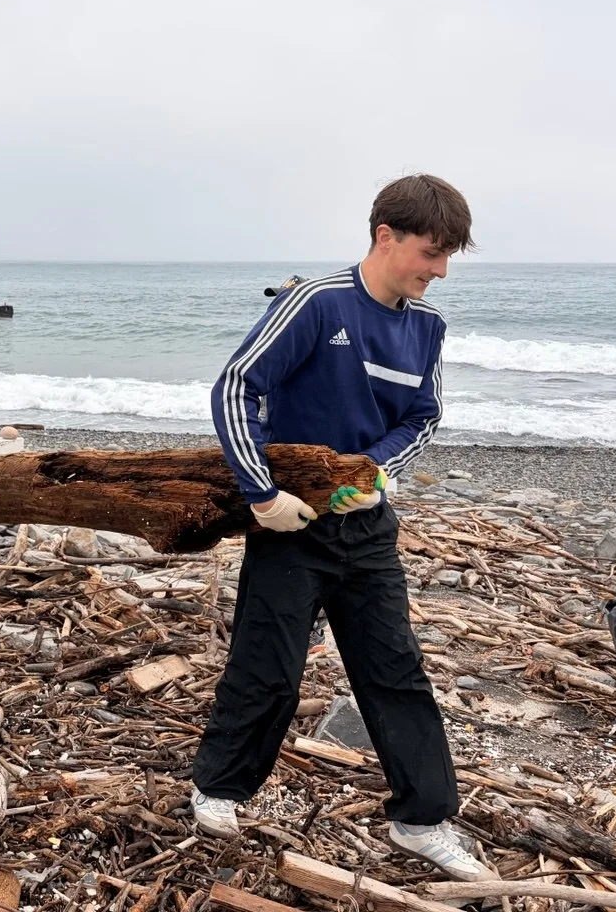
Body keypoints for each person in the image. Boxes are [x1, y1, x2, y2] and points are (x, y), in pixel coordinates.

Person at [192, 175, 493, 883]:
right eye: (432, 252)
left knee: (396, 671)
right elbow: (237, 386)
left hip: (367, 528)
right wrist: (261, 496)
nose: (440, 270)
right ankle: (219, 789)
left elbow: (423, 417)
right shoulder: (316, 302)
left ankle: (421, 819)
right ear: (385, 236)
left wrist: (376, 477)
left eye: (449, 257)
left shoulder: (428, 327)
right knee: (268, 668)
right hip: (290, 524)